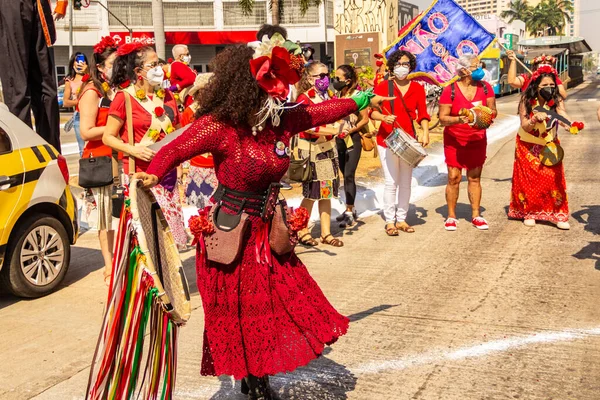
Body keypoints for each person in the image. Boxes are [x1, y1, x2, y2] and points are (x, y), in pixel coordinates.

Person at [134, 39, 391, 398]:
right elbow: (176, 148)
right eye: (270, 79)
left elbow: (323, 112)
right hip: (230, 234)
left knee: (279, 306)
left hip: (269, 232)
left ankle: (258, 376)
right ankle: (253, 379)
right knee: (242, 314)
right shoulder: (219, 126)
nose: (279, 88)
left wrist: (361, 101)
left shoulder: (282, 121)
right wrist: (152, 173)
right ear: (246, 83)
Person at [102, 43, 189, 248]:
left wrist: (183, 165)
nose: (160, 68)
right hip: (140, 174)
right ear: (138, 71)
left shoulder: (167, 96)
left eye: (159, 63)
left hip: (168, 174)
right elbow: (108, 137)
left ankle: (169, 277)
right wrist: (133, 149)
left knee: (167, 238)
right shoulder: (124, 97)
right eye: (153, 65)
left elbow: (176, 132)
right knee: (146, 238)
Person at [370, 50, 430, 235]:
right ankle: (390, 221)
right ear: (392, 67)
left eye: (405, 64)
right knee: (391, 181)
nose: (402, 67)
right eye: (398, 64)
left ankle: (402, 219)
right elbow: (371, 111)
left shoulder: (418, 88)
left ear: (411, 66)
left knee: (406, 181)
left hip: (408, 140)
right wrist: (383, 117)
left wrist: (425, 132)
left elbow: (423, 114)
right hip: (387, 140)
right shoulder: (383, 87)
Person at [438, 54, 497, 231]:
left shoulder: (485, 88)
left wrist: (482, 115)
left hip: (477, 138)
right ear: (464, 70)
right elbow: (442, 118)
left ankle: (476, 215)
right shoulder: (450, 90)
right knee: (453, 177)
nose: (479, 68)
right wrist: (461, 119)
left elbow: (493, 110)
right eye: (475, 66)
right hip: (454, 140)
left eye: (479, 64)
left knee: (474, 177)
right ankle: (451, 216)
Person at [508, 66, 571, 229]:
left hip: (550, 143)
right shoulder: (526, 100)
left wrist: (569, 124)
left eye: (552, 85)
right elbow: (525, 126)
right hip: (527, 144)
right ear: (536, 86)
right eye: (544, 86)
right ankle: (529, 212)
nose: (549, 88)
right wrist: (534, 118)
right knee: (530, 180)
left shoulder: (556, 98)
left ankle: (557, 214)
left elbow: (562, 113)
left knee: (553, 178)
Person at [78, 37, 119, 286]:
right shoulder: (91, 91)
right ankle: (109, 265)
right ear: (101, 66)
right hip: (100, 161)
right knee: (105, 218)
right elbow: (86, 131)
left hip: (117, 158)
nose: (117, 66)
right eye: (113, 63)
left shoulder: (113, 89)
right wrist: (113, 127)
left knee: (118, 215)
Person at [0, 0, 67, 151]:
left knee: (47, 91)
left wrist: (62, 2)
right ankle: (25, 155)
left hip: (38, 5)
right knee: (18, 89)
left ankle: (52, 153)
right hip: (11, 6)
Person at [295, 62, 346, 247]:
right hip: (311, 151)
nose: (325, 79)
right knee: (310, 194)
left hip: (328, 150)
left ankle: (326, 233)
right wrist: (333, 129)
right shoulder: (303, 98)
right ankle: (301, 229)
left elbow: (337, 117)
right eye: (320, 75)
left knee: (326, 193)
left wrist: (342, 126)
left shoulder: (328, 96)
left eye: (327, 75)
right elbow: (305, 124)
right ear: (309, 78)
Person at [332, 65, 370, 227]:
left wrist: (351, 130)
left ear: (347, 81)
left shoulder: (359, 96)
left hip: (352, 138)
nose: (335, 81)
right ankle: (350, 208)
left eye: (338, 78)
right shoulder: (336, 94)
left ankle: (350, 209)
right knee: (343, 174)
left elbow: (365, 119)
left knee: (349, 174)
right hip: (339, 139)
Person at [181, 73, 219, 210]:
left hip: (218, 166)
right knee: (199, 210)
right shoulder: (189, 112)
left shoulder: (220, 111)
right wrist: (184, 169)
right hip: (198, 167)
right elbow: (185, 142)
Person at [64, 52, 90, 156]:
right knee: (82, 148)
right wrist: (82, 101)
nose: (80, 63)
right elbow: (66, 102)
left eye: (82, 60)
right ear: (72, 63)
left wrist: (88, 73)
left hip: (93, 113)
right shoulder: (69, 80)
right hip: (79, 115)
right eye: (77, 60)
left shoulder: (91, 76)